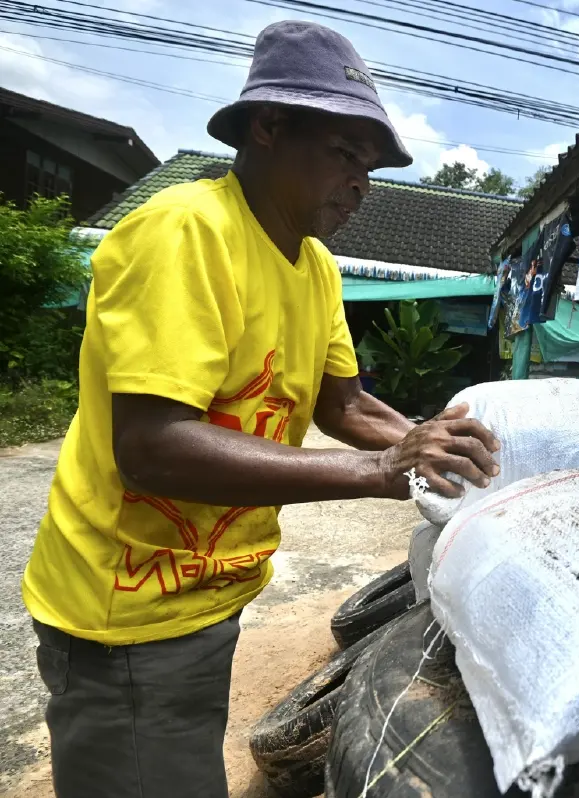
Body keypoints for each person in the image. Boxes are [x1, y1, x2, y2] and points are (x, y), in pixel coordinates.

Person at [21, 20, 499, 798]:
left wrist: (436, 443)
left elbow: (341, 403)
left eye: (369, 169)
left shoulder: (312, 266)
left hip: (207, 597)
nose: (359, 185)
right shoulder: (186, 233)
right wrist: (383, 468)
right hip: (126, 616)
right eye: (346, 155)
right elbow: (152, 444)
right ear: (269, 128)